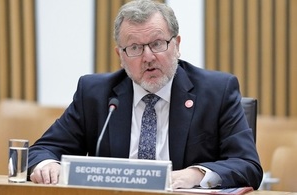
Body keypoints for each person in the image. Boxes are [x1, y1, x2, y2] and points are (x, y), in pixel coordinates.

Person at [28, 0, 263, 190]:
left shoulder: (217, 91)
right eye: (135, 48)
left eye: (158, 43)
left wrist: (194, 174)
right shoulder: (95, 94)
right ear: (120, 54)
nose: (148, 57)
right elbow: (41, 151)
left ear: (177, 44)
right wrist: (48, 165)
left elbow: (248, 166)